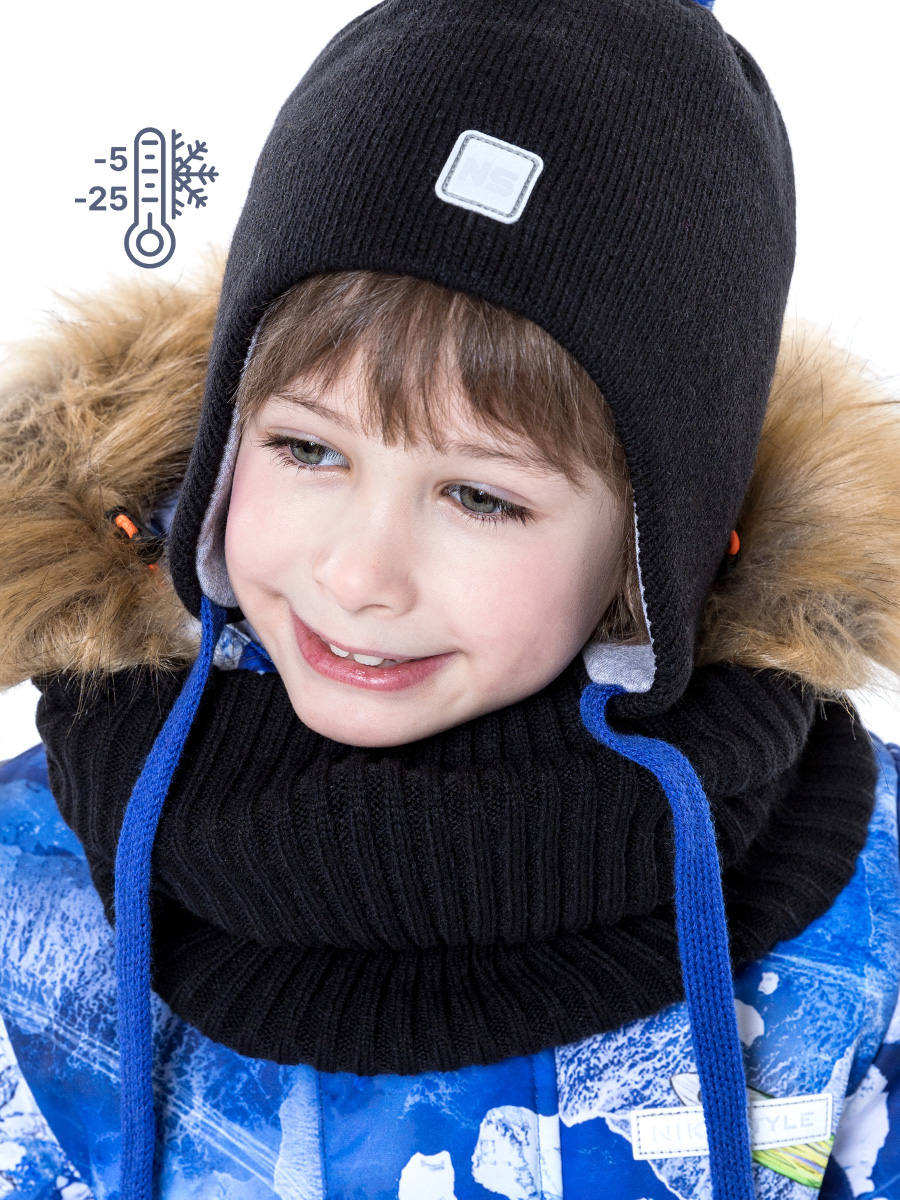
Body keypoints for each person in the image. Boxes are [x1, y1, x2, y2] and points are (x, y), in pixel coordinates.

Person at [1, 0, 900, 1196]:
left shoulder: (873, 921)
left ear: (660, 546)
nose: (358, 575)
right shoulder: (26, 882)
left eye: (481, 497)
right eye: (307, 449)